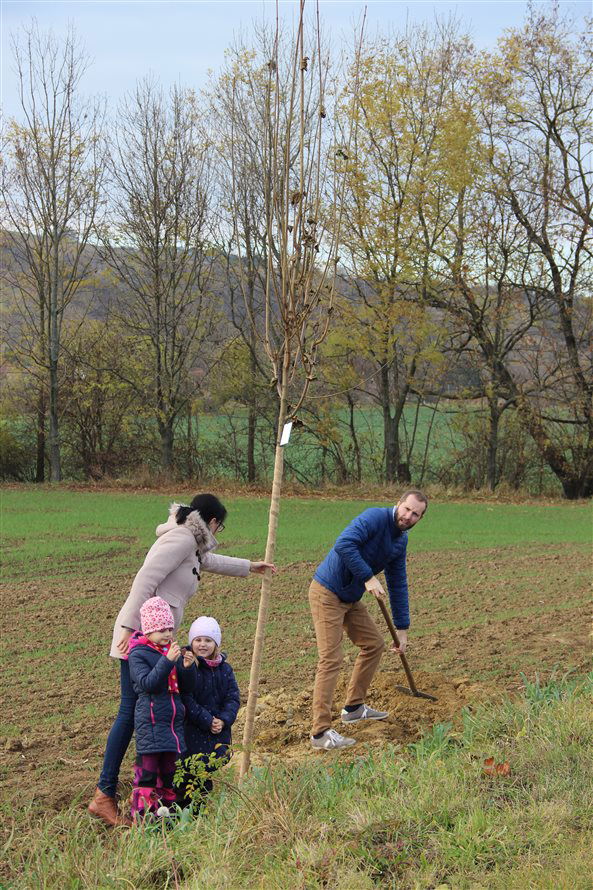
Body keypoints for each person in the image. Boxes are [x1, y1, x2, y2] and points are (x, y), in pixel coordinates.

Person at [88, 493, 275, 826]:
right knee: (130, 714)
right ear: (213, 521)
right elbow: (145, 578)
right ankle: (105, 795)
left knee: (145, 713)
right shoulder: (182, 537)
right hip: (141, 640)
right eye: (221, 526)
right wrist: (130, 629)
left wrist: (249, 567)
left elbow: (206, 562)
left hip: (156, 641)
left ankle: (150, 786)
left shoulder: (190, 542)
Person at [309, 489, 428, 750]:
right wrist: (368, 576)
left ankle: (353, 707)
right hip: (327, 592)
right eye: (406, 509)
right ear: (398, 504)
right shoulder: (374, 517)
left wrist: (402, 629)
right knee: (331, 659)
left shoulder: (400, 541)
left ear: (419, 519)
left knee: (374, 644)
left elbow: (398, 583)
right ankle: (320, 733)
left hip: (350, 598)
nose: (408, 516)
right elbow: (344, 543)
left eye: (415, 514)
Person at [127, 597, 195, 821]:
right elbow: (148, 684)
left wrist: (185, 668)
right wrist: (167, 661)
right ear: (148, 630)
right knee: (147, 775)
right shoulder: (138, 654)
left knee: (169, 773)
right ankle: (143, 816)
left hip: (172, 725)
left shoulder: (169, 651)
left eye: (169, 628)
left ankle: (168, 815)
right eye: (161, 629)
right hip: (152, 722)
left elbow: (183, 687)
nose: (167, 634)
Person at [177, 615, 240, 809]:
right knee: (188, 774)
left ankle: (199, 814)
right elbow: (185, 698)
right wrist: (207, 720)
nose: (202, 644)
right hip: (193, 732)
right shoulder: (188, 667)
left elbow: (233, 698)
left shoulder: (225, 670)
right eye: (198, 640)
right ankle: (184, 813)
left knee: (206, 773)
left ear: (216, 643)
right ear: (191, 642)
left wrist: (223, 720)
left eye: (208, 640)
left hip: (216, 733)